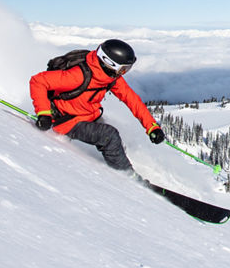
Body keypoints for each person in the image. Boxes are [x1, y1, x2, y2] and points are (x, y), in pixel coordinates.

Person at [29, 38, 165, 171]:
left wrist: (152, 127)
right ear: (109, 63)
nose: (124, 72)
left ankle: (118, 162)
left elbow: (132, 100)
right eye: (124, 69)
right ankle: (128, 177)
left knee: (112, 138)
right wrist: (44, 114)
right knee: (110, 135)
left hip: (88, 115)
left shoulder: (110, 77)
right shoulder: (78, 76)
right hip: (66, 120)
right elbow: (38, 81)